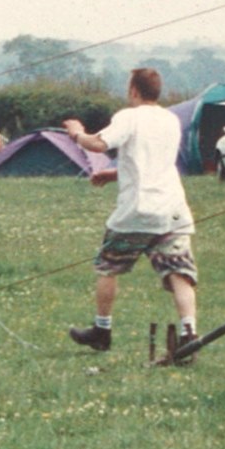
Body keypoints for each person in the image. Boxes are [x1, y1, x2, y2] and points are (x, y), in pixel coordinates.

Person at [62, 67, 197, 356]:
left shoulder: (128, 117)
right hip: (173, 211)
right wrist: (114, 174)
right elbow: (152, 161)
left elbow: (98, 144)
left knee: (108, 267)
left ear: (133, 90)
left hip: (137, 212)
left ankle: (102, 330)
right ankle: (190, 334)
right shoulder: (171, 119)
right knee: (179, 272)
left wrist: (76, 133)